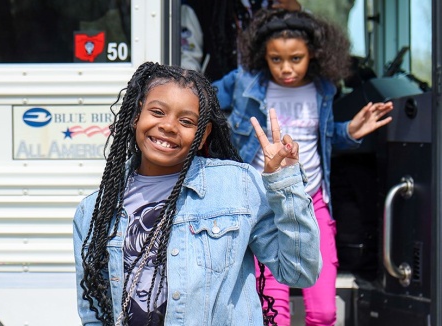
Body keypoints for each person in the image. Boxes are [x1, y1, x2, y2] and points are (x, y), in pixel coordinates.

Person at [73, 61, 321, 326]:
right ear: (136, 117)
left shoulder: (238, 187)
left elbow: (299, 272)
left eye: (186, 121)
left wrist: (286, 184)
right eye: (157, 112)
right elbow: (94, 313)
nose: (168, 126)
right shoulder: (94, 212)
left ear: (203, 135)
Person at [212, 9, 394, 326]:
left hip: (312, 203)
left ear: (314, 55)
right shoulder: (245, 82)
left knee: (324, 313)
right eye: (276, 60)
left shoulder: (322, 90)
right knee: (274, 313)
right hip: (263, 207)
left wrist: (349, 131)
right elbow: (201, 99)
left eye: (296, 59)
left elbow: (321, 140)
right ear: (262, 57)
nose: (286, 69)